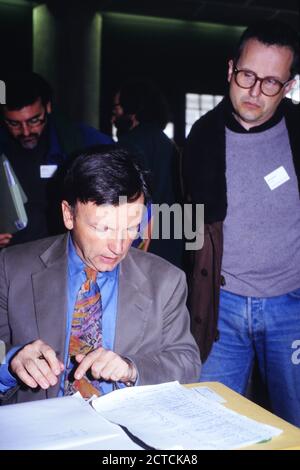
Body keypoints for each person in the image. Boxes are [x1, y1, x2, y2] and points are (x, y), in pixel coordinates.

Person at [0, 145, 201, 405]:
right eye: (103, 228)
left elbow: (187, 362)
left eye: (131, 228)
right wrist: (12, 361)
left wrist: (132, 369)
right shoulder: (11, 269)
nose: (118, 247)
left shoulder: (165, 281)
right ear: (68, 215)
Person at [183, 20, 300, 426]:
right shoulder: (201, 136)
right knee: (207, 423)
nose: (255, 91)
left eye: (271, 82)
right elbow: (188, 222)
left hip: (292, 306)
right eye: (248, 75)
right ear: (230, 69)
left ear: (288, 86)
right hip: (221, 307)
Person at [0, 72, 112, 248]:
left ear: (48, 107)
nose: (26, 131)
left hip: (66, 255)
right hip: (13, 258)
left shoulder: (78, 140)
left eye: (34, 120)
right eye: (14, 124)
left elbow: (126, 177)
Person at [112, 79, 184, 268]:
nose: (114, 116)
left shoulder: (129, 145)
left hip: (142, 247)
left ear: (132, 109)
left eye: (117, 108)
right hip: (173, 241)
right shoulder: (168, 144)